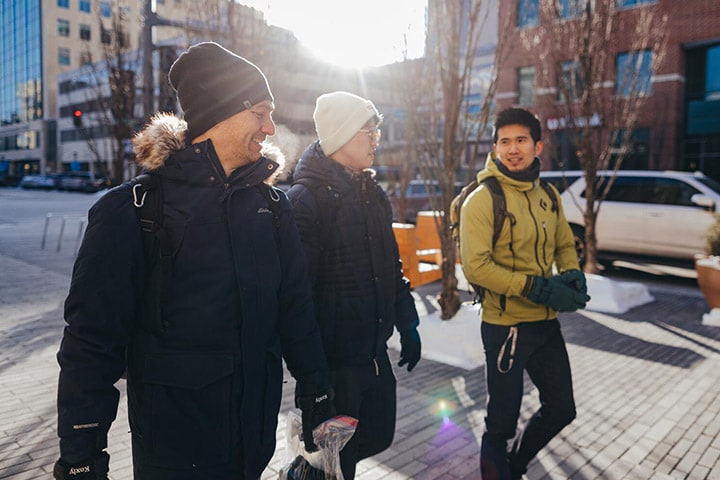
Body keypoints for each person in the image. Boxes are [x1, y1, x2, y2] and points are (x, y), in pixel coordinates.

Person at [53, 42, 334, 480]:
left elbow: (295, 307)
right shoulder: (132, 209)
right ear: (221, 113)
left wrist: (317, 390)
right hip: (175, 455)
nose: (271, 127)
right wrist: (80, 454)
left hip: (252, 444)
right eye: (260, 112)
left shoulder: (272, 208)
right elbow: (90, 343)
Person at [286, 91, 422, 479]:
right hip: (335, 369)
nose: (377, 139)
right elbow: (297, 304)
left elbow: (390, 268)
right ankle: (307, 471)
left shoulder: (373, 195)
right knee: (335, 466)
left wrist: (407, 320)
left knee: (378, 436)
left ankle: (308, 470)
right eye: (369, 131)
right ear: (342, 135)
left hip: (374, 357)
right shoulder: (306, 202)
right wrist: (313, 383)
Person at [459, 107, 591, 479]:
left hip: (545, 325)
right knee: (501, 423)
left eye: (521, 141)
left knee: (562, 408)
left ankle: (514, 467)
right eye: (504, 141)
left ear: (538, 146)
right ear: (495, 147)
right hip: (506, 328)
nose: (512, 149)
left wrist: (571, 274)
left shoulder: (547, 193)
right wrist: (535, 286)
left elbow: (565, 244)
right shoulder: (483, 199)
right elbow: (477, 267)